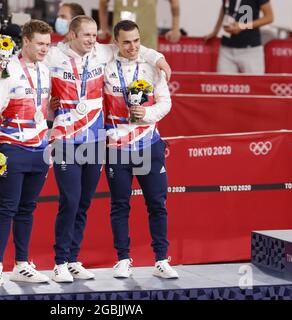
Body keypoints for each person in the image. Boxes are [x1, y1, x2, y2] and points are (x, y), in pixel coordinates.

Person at [44, 15, 171, 283]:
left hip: (94, 138)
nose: (91, 40)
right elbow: (28, 59)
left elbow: (137, 47)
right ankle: (59, 263)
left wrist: (159, 58)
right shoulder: (54, 55)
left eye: (94, 35)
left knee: (83, 203)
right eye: (86, 35)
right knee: (70, 200)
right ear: (72, 35)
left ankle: (72, 259)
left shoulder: (103, 52)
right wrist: (1, 65)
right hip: (68, 138)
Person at [103, 20, 179, 279]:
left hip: (149, 145)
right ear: (116, 42)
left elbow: (165, 103)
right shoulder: (106, 65)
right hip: (117, 147)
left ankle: (161, 259)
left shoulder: (151, 65)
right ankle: (123, 259)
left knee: (157, 204)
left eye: (136, 40)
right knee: (120, 205)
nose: (133, 46)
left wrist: (146, 113)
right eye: (126, 42)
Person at [0, 19, 53, 287]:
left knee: (27, 209)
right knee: (6, 208)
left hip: (39, 151)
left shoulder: (45, 71)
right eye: (40, 44)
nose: (45, 49)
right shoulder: (6, 69)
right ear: (26, 42)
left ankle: (21, 264)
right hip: (11, 147)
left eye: (48, 44)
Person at [205, 0, 274, 74]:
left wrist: (243, 26)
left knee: (254, 84)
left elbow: (269, 17)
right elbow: (225, 8)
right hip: (226, 48)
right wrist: (216, 31)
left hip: (250, 49)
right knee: (225, 83)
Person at [98, 0, 181, 49]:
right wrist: (103, 28)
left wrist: (175, 29)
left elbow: (174, 3)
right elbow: (103, 2)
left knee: (146, 77)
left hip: (147, 44)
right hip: (119, 44)